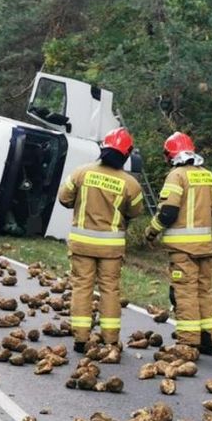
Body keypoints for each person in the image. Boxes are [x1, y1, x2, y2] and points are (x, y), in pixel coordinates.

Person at [58, 127, 144, 353]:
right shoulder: (131, 184)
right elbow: (135, 212)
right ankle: (110, 339)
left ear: (103, 148)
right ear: (126, 154)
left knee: (82, 288)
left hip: (82, 244)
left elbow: (63, 198)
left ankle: (81, 338)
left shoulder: (81, 173)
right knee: (110, 290)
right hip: (111, 249)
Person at [145, 131, 212, 355]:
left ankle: (188, 342)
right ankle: (208, 338)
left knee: (185, 293)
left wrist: (151, 231)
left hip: (182, 249)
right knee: (203, 291)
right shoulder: (207, 175)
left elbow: (167, 212)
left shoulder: (176, 176)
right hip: (204, 247)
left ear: (171, 155)